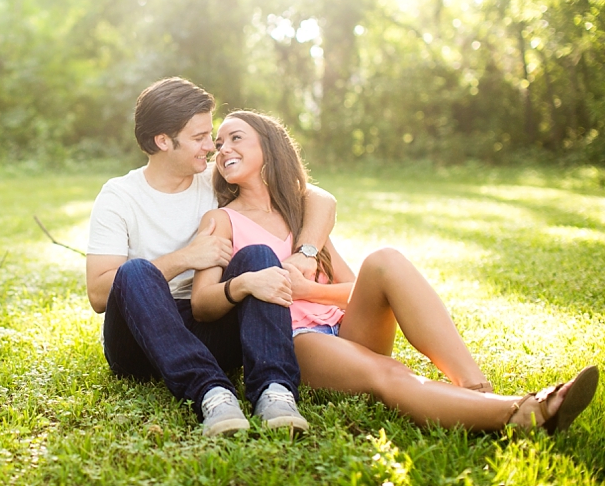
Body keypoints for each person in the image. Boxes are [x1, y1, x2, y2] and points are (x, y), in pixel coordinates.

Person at [190, 109, 599, 432]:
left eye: (235, 137)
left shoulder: (302, 216)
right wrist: (257, 286)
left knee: (385, 259)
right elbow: (202, 304)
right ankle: (524, 413)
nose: (222, 148)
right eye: (218, 143)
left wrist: (307, 289)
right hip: (297, 340)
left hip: (347, 325)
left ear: (270, 147)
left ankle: (477, 389)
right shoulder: (222, 221)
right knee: (389, 372)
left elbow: (351, 289)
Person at [86, 78, 338, 436]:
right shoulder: (120, 196)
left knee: (258, 255)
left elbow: (319, 198)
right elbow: (99, 293)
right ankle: (212, 393)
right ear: (163, 141)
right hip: (139, 335)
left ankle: (274, 391)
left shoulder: (214, 177)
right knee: (136, 272)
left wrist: (308, 252)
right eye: (200, 137)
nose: (212, 147)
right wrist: (186, 257)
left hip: (209, 320)